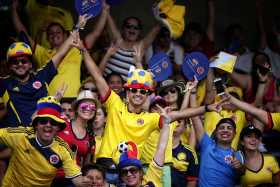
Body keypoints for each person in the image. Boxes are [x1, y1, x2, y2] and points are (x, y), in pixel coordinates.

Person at [77, 37, 222, 175]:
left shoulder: (150, 118)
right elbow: (97, 75)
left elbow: (178, 115)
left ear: (147, 95)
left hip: (130, 173)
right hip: (106, 168)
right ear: (127, 93)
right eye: (134, 90)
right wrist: (83, 50)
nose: (138, 93)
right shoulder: (115, 103)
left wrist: (207, 108)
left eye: (143, 91)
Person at [11, 0, 108, 97]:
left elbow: (96, 34)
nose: (54, 35)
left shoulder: (76, 48)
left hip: (73, 102)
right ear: (47, 39)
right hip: (50, 102)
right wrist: (14, 9)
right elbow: (22, 32)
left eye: (58, 32)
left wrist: (104, 11)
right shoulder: (42, 52)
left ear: (66, 35)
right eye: (51, 33)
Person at [0, 96, 93, 186]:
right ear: (36, 125)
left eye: (53, 123)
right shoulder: (21, 135)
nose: (48, 125)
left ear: (58, 128)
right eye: (43, 121)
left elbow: (76, 177)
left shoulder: (63, 148)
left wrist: (84, 182)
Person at [0, 28, 77, 127]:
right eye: (15, 62)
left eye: (23, 61)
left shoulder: (41, 76)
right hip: (17, 137)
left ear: (30, 64)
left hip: (43, 132)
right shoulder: (4, 83)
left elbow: (61, 54)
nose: (20, 64)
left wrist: (78, 27)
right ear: (9, 66)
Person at [190, 87, 245, 187]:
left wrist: (240, 167)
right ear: (216, 132)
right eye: (222, 128)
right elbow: (194, 117)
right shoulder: (207, 144)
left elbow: (242, 174)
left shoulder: (237, 155)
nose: (225, 130)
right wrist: (193, 92)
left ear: (234, 134)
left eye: (229, 128)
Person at [116, 104, 171, 187]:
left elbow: (161, 148)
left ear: (141, 172)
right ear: (121, 177)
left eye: (133, 170)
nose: (129, 174)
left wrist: (166, 124)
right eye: (124, 172)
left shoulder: (151, 178)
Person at [104, 13, 161, 80]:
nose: (132, 30)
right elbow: (108, 16)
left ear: (139, 31)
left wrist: (162, 18)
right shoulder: (117, 40)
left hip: (124, 89)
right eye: (128, 26)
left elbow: (155, 30)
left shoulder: (140, 47)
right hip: (104, 84)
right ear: (123, 29)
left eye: (136, 28)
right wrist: (105, 8)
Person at [171, 118, 199, 187]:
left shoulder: (190, 152)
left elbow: (192, 180)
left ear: (185, 127)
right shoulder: (155, 147)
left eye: (179, 121)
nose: (176, 123)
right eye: (172, 120)